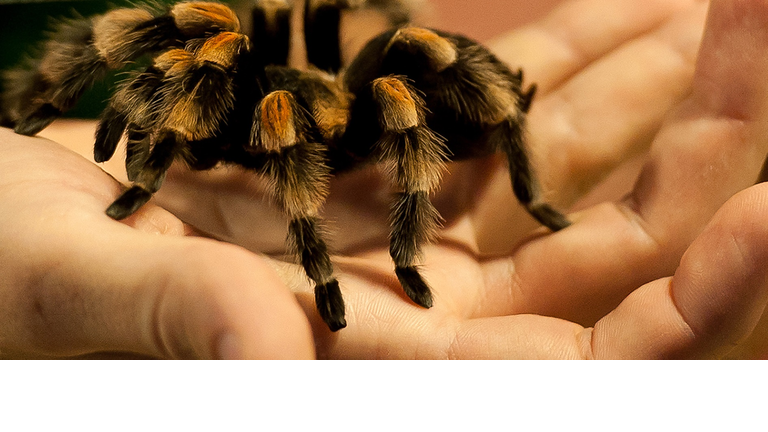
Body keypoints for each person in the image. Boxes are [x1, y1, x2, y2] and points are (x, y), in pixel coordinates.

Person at [1, 0, 765, 359]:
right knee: (204, 28)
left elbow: (322, 86)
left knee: (394, 79)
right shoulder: (229, 64)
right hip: (326, 102)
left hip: (400, 114)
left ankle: (473, 207)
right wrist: (30, 121)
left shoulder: (324, 102)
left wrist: (371, 253)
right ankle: (35, 94)